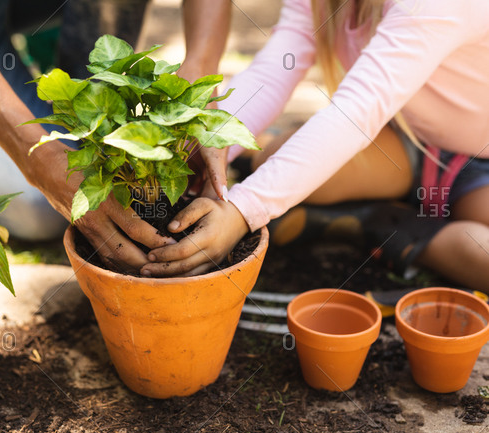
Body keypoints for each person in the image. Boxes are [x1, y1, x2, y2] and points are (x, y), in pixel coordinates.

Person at [141, 0, 489, 291]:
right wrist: (212, 143)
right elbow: (275, 68)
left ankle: (387, 225)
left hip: (481, 161)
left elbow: (356, 111)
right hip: (405, 141)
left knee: (478, 253)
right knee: (274, 161)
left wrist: (243, 210)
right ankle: (378, 212)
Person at [0, 0, 231, 272]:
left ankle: (71, 78)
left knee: (96, 165)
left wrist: (199, 73)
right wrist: (41, 162)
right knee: (37, 210)